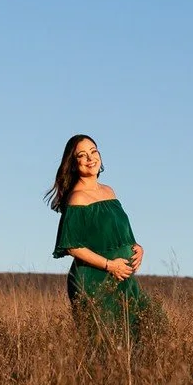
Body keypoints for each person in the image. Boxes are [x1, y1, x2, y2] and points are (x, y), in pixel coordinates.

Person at [47, 134, 163, 349]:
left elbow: (118, 230)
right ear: (73, 164)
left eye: (93, 151)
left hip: (122, 278)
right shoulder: (78, 198)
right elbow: (72, 246)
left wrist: (137, 247)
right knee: (104, 346)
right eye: (82, 155)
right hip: (94, 279)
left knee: (151, 328)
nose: (90, 158)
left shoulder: (109, 191)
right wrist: (110, 265)